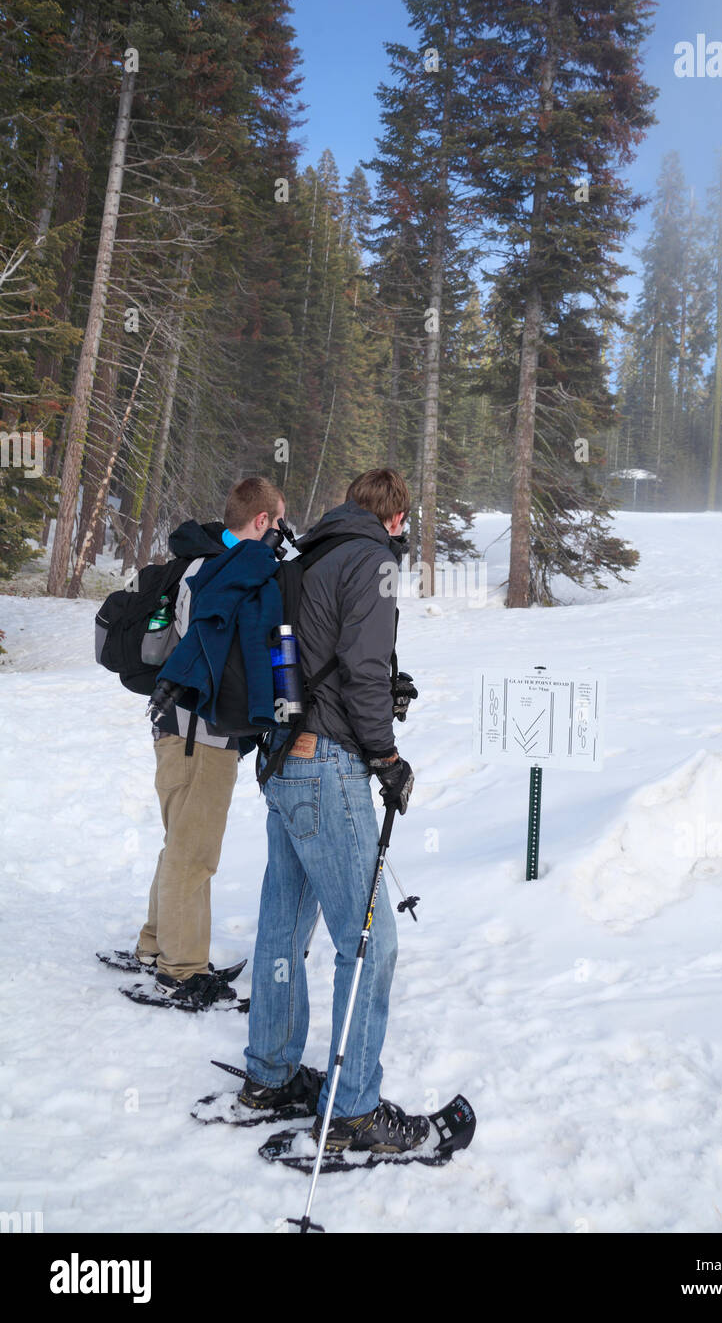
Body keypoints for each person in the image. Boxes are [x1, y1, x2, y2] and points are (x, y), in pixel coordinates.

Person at [241, 468, 425, 1153]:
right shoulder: (373, 558)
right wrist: (386, 755)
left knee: (283, 929)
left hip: (283, 759)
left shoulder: (310, 552)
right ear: (397, 517)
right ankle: (353, 1112)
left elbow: (325, 656)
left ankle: (270, 1074)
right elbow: (364, 666)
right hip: (328, 768)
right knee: (370, 939)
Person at [133, 476, 285, 1009]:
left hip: (178, 728)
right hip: (200, 732)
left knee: (180, 844)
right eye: (279, 521)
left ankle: (155, 945)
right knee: (195, 854)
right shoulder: (222, 571)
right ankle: (181, 969)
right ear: (263, 521)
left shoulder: (198, 563)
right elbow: (210, 643)